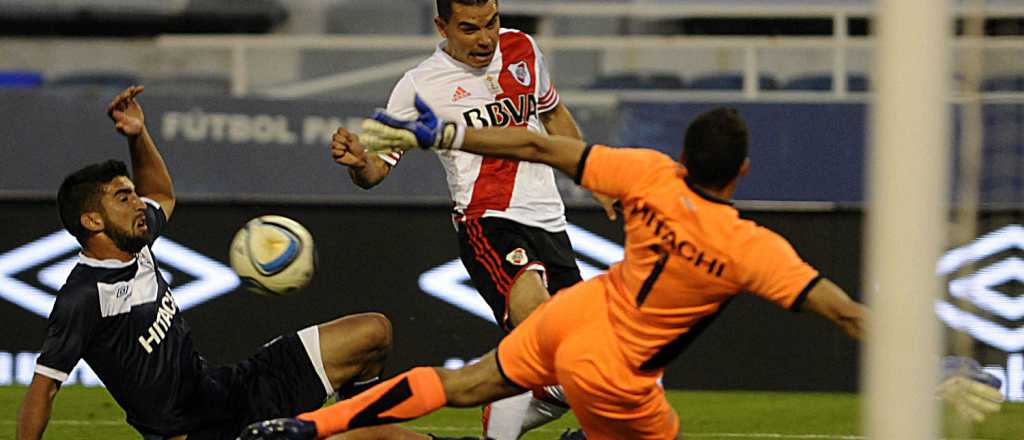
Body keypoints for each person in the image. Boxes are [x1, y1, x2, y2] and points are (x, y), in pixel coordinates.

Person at [244, 100, 1006, 440]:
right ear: (739, 172)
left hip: (577, 315)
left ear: (685, 156)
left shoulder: (644, 173)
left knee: (461, 383)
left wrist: (443, 133)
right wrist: (932, 362)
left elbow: (540, 146)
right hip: (619, 369)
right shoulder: (753, 248)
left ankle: (311, 425)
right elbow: (842, 312)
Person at [15, 86, 429, 440]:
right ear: (92, 221)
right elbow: (44, 388)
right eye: (122, 198)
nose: (138, 202)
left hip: (230, 390)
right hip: (207, 433)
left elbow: (162, 194)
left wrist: (138, 136)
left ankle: (354, 421)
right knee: (392, 437)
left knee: (374, 332)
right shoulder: (84, 297)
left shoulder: (135, 244)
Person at [328, 0, 615, 437]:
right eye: (469, 29)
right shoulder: (418, 86)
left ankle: (518, 406)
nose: (485, 39)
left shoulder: (523, 49)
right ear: (442, 26)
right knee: (537, 325)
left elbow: (553, 113)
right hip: (489, 220)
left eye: (491, 23)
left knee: (576, 359)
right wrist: (356, 162)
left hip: (550, 224)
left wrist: (592, 174)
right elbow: (375, 170)